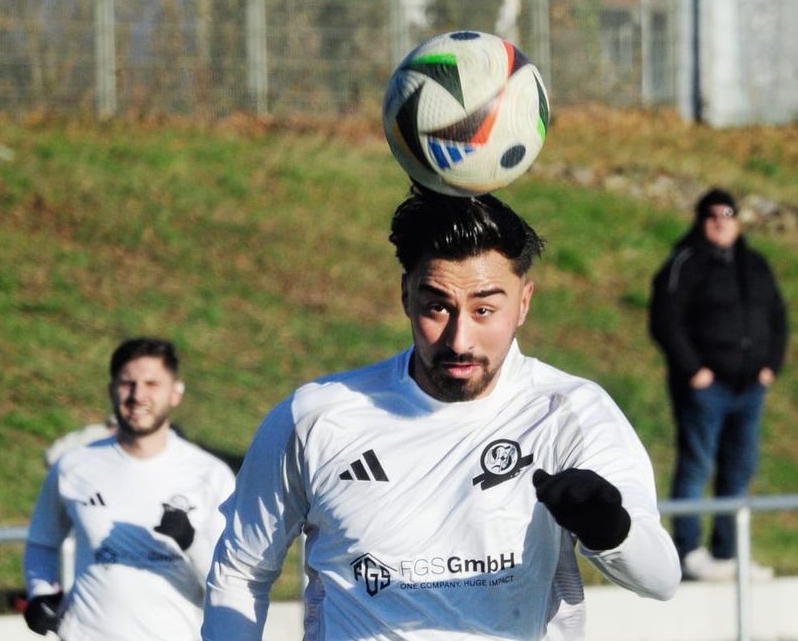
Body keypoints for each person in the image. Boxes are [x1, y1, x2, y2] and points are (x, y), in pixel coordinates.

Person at [202, 188, 680, 640]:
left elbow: (660, 578)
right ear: (405, 295)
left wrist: (607, 526)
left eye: (484, 310)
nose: (459, 340)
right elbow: (241, 571)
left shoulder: (569, 413)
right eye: (437, 307)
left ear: (523, 303)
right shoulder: (317, 417)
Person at [23, 337, 236, 640]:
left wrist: (190, 541)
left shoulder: (210, 475)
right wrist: (41, 592)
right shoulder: (74, 466)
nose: (138, 395)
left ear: (176, 393)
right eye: (127, 383)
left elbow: (230, 582)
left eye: (152, 384)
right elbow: (42, 543)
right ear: (112, 389)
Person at [649, 188, 788, 581]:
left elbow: (777, 318)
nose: (720, 220)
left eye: (728, 213)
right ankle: (689, 551)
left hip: (750, 387)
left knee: (740, 468)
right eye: (711, 214)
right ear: (700, 219)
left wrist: (770, 367)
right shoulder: (685, 262)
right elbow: (665, 321)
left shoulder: (755, 264)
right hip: (706, 388)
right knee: (697, 465)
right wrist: (695, 371)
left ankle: (729, 552)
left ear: (738, 219)